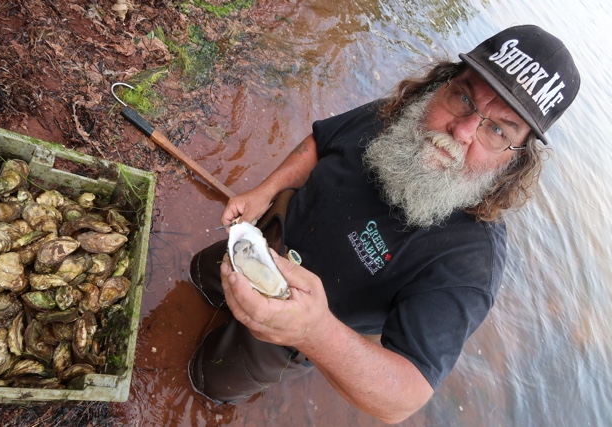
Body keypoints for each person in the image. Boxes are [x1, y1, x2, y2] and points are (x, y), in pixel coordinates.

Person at [188, 25, 580, 424]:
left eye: (497, 130)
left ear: (515, 159)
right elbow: (321, 143)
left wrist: (313, 333)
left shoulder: (473, 260)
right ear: (442, 84)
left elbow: (405, 396)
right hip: (260, 240)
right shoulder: (403, 117)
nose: (461, 132)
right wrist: (264, 191)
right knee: (197, 281)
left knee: (208, 380)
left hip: (297, 328)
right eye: (464, 97)